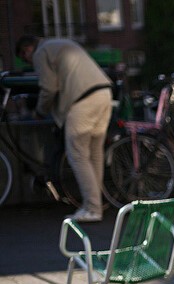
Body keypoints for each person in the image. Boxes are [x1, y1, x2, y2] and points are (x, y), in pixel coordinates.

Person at [16, 35, 113, 222]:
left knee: (77, 155)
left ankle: (93, 209)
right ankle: (96, 203)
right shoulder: (59, 43)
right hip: (104, 92)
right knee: (95, 154)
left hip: (83, 100)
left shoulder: (40, 52)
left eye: (24, 57)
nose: (28, 61)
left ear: (27, 50)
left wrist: (39, 111)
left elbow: (49, 88)